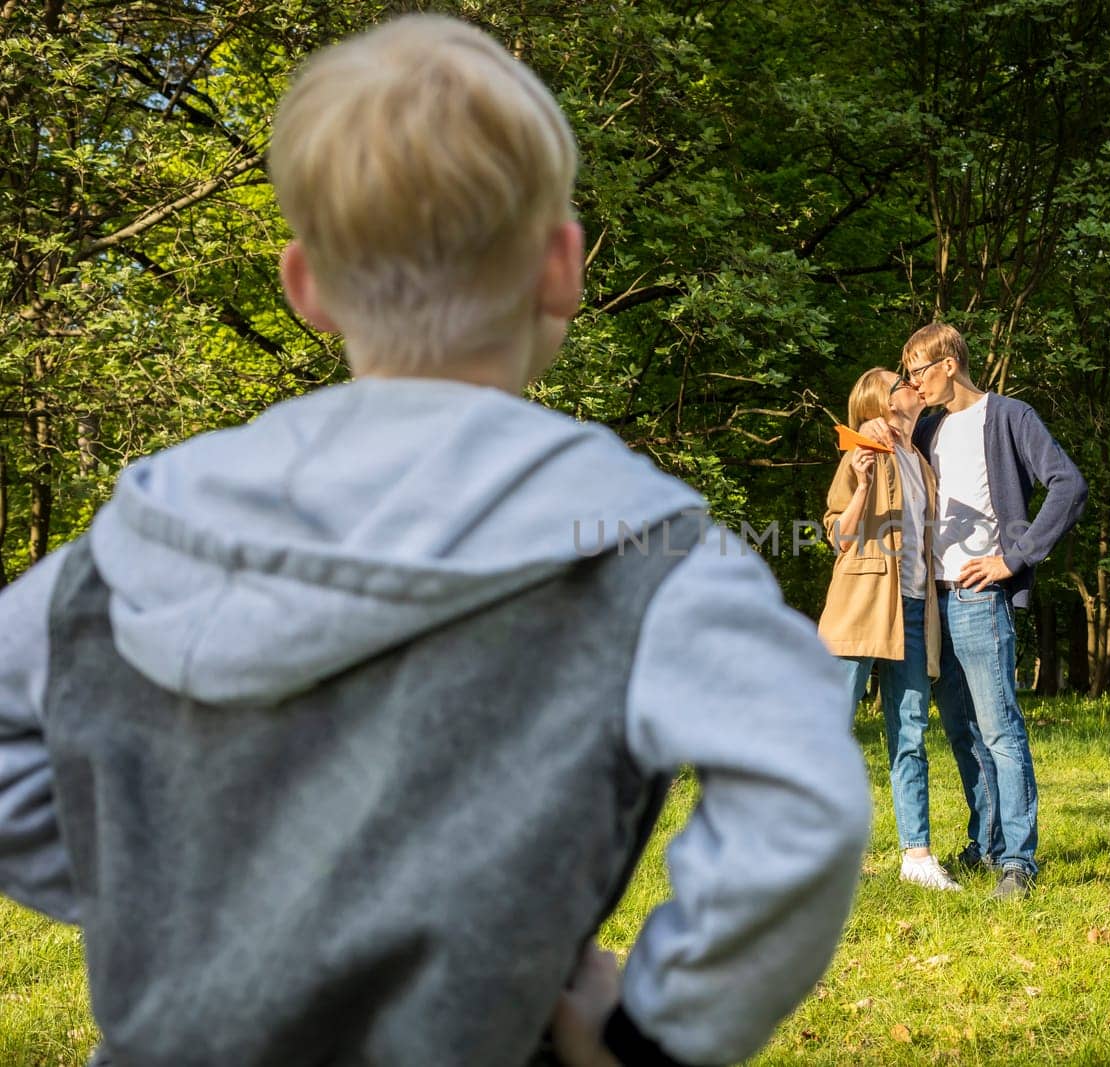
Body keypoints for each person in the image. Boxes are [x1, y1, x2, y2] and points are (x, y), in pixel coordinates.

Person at [0, 15, 870, 1066]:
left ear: (306, 284)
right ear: (563, 266)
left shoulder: (139, 545)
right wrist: (649, 1032)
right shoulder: (640, 547)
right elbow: (804, 800)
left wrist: (161, 905)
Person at [881, 323, 1086, 901]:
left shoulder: (1010, 417)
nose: (913, 384)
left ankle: (1018, 861)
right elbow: (877, 437)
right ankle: (986, 842)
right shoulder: (926, 426)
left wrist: (1013, 558)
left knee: (1000, 731)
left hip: (978, 597)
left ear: (949, 363)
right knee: (961, 731)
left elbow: (1067, 485)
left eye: (919, 370)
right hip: (930, 601)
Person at [818, 368, 960, 892]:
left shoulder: (917, 457)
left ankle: (918, 857)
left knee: (910, 732)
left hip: (916, 606)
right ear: (883, 399)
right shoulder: (863, 451)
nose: (911, 384)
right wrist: (861, 482)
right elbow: (839, 533)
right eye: (902, 379)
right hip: (862, 602)